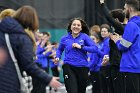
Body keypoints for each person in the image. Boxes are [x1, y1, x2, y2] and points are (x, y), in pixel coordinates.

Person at [0, 5, 61, 93]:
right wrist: (48, 79)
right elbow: (28, 64)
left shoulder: (3, 31)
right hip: (11, 80)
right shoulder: (22, 37)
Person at [55, 17, 98, 93]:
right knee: (72, 91)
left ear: (81, 28)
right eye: (74, 25)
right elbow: (59, 49)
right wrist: (57, 57)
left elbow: (95, 48)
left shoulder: (84, 37)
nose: (76, 26)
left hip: (82, 67)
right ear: (71, 27)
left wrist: (81, 47)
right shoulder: (64, 38)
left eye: (78, 25)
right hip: (69, 66)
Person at [110, 0, 140, 93]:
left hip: (131, 66)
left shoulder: (131, 25)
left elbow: (124, 46)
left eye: (124, 8)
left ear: (130, 9)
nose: (123, 10)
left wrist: (117, 40)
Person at [99, 0, 126, 93]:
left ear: (116, 20)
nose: (110, 24)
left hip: (119, 66)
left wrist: (102, 3)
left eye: (112, 21)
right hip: (115, 64)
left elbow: (108, 17)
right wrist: (110, 57)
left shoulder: (122, 28)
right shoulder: (117, 31)